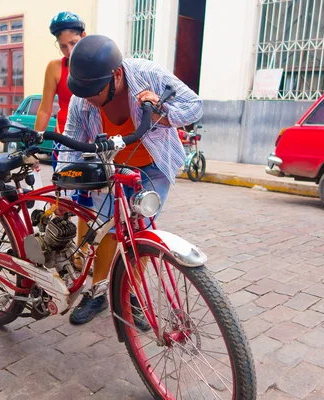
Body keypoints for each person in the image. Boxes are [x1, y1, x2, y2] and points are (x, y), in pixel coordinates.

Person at [58, 35, 203, 327]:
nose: (86, 98)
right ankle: (98, 292)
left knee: (140, 231)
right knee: (106, 231)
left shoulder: (148, 74)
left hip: (153, 168)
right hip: (109, 170)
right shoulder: (81, 99)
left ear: (117, 75)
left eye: (92, 91)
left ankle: (130, 294)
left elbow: (195, 106)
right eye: (81, 91)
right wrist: (64, 190)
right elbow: (71, 143)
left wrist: (164, 114)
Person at [35, 11, 92, 270]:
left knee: (88, 203)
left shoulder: (97, 62)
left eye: (74, 44)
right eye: (63, 46)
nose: (69, 50)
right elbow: (46, 108)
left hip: (93, 144)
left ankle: (82, 252)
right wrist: (35, 143)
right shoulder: (55, 68)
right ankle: (52, 240)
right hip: (66, 143)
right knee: (65, 203)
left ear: (84, 37)